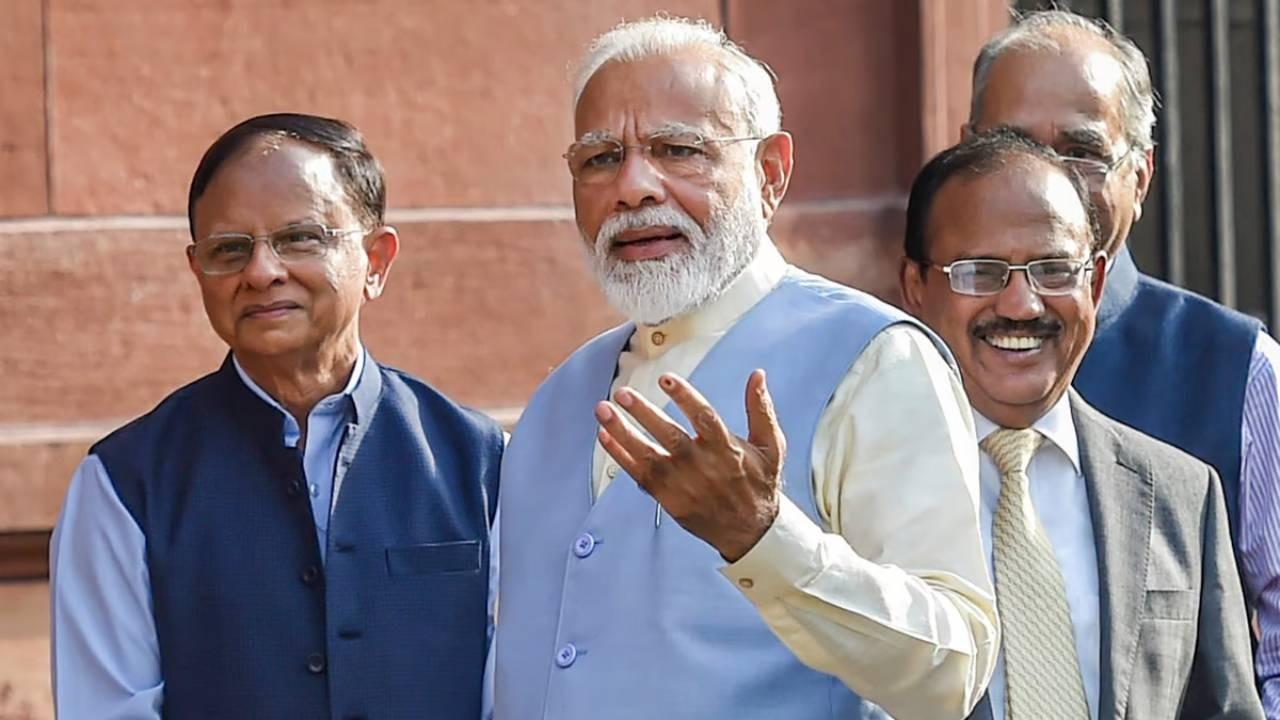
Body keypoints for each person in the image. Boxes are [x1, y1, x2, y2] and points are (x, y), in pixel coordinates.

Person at [493, 16, 998, 720]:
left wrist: (765, 538)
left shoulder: (873, 360)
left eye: (679, 150)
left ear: (771, 172)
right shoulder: (558, 400)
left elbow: (952, 675)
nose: (634, 187)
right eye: (601, 159)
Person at [49, 113, 503, 719]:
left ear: (376, 261)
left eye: (300, 238)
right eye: (230, 249)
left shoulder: (480, 462)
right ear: (197, 271)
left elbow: (525, 690)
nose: (261, 272)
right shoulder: (126, 485)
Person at [965, 10, 1280, 711]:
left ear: (1140, 176)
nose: (1045, 176)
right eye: (1011, 143)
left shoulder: (1236, 371)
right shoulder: (895, 365)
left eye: (1081, 150)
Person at [902, 128, 1262, 719]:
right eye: (981, 272)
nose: (1022, 305)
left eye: (1052, 270)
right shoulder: (856, 490)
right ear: (915, 286)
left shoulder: (1180, 493)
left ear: (1094, 284)